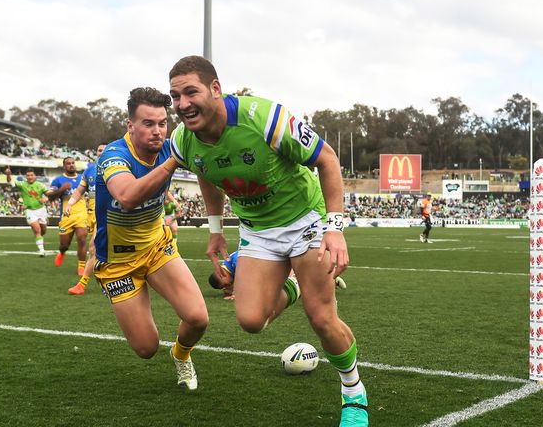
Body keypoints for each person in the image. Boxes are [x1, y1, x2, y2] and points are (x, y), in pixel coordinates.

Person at [168, 56, 368, 425]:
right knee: (250, 320)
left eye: (190, 92)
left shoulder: (265, 119)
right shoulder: (182, 140)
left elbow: (327, 157)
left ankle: (353, 393)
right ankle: (293, 286)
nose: (182, 104)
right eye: (175, 96)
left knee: (322, 318)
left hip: (305, 220)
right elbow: (205, 174)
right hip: (258, 231)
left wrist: (335, 227)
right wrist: (215, 229)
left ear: (215, 89)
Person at [94, 87, 208, 390]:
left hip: (157, 247)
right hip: (118, 262)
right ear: (130, 125)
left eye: (162, 123)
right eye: (148, 123)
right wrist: (172, 162)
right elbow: (127, 196)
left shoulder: (172, 146)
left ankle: (181, 355)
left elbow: (208, 160)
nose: (157, 131)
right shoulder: (114, 155)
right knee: (146, 348)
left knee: (198, 318)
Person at [209, 251, 347, 301]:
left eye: (225, 283)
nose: (227, 285)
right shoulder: (229, 265)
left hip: (279, 262)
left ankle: (328, 279)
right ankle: (329, 279)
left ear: (221, 274)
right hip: (274, 265)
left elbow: (245, 281)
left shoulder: (235, 262)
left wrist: (237, 293)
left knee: (299, 287)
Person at [65, 142, 107, 295]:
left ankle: (82, 284)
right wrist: (70, 204)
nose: (101, 152)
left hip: (108, 215)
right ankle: (106, 281)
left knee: (93, 248)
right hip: (93, 216)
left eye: (104, 150)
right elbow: (80, 190)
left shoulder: (116, 168)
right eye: (99, 150)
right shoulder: (90, 170)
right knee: (103, 251)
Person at [47, 156, 88, 274]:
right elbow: (50, 197)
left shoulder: (82, 178)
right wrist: (61, 189)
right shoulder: (58, 180)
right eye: (68, 163)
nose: (71, 165)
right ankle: (62, 252)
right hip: (66, 215)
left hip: (81, 214)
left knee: (82, 238)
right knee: (64, 244)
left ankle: (81, 266)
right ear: (64, 166)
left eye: (73, 163)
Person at [5, 167, 49, 256]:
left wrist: (45, 198)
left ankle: (39, 238)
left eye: (31, 175)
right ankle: (41, 250)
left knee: (43, 230)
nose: (30, 177)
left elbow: (49, 194)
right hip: (29, 210)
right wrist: (8, 174)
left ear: (35, 176)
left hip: (41, 210)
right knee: (37, 229)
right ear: (26, 177)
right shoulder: (22, 184)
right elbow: (10, 182)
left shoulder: (41, 185)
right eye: (28, 175)